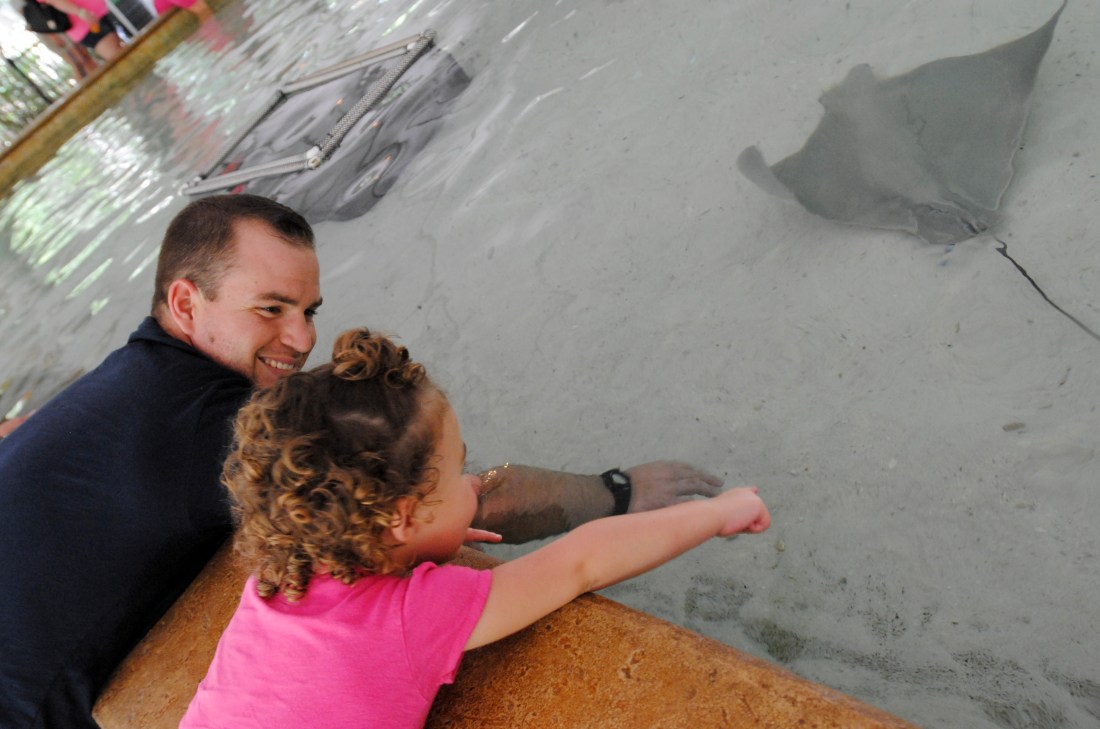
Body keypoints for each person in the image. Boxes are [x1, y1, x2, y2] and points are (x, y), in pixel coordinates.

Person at [0, 194, 722, 729]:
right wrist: (615, 492)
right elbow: (445, 496)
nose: (302, 338)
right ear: (186, 302)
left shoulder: (132, 383)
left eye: (309, 310)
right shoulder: (216, 429)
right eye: (271, 309)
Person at [179, 328, 770, 728]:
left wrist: (421, 540)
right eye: (460, 469)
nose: (474, 483)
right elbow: (582, 561)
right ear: (401, 517)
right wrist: (716, 513)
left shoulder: (273, 582)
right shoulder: (414, 616)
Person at [36, 0, 124, 61]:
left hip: (98, 14)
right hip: (86, 25)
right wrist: (81, 13)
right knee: (119, 58)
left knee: (122, 53)